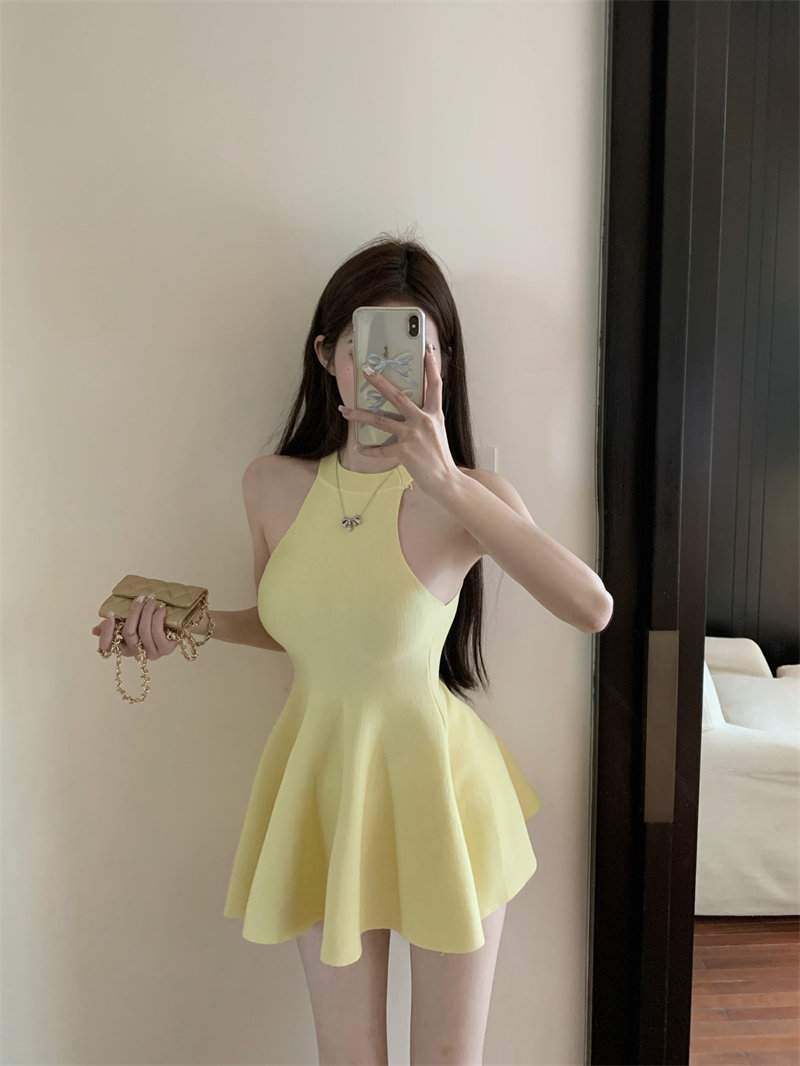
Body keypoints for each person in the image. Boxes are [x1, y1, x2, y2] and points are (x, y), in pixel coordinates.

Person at [92, 233, 613, 1066]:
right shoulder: (271, 485)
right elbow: (292, 625)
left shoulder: (471, 498)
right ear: (326, 355)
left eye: (415, 346)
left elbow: (591, 607)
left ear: (442, 362)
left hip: (444, 795)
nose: (385, 370)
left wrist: (447, 482)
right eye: (365, 346)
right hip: (324, 787)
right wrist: (185, 627)